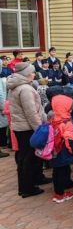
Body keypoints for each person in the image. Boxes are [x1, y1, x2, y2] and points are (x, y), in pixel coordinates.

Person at [6, 62, 45, 197]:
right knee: (28, 158)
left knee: (25, 157)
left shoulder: (17, 86)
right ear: (27, 74)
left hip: (20, 126)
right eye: (33, 72)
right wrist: (39, 129)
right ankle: (27, 188)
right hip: (27, 128)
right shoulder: (25, 89)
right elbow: (31, 112)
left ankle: (32, 181)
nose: (34, 74)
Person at [50, 94, 73, 203]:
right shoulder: (66, 121)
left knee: (57, 171)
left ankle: (58, 192)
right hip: (63, 150)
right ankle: (60, 195)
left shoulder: (53, 118)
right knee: (61, 171)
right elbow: (70, 141)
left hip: (54, 150)